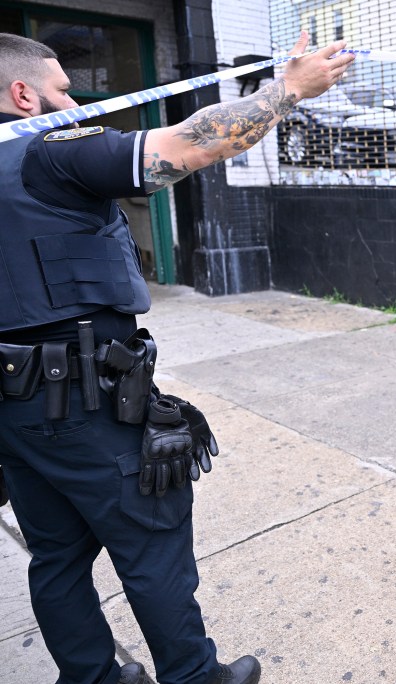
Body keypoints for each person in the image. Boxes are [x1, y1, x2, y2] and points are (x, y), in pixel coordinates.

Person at [0, 32, 353, 684]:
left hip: (15, 414)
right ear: (24, 96)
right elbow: (193, 143)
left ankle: (92, 678)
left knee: (54, 555)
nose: (73, 103)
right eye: (62, 91)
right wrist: (290, 89)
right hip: (83, 403)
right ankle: (195, 676)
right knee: (151, 544)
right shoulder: (47, 155)